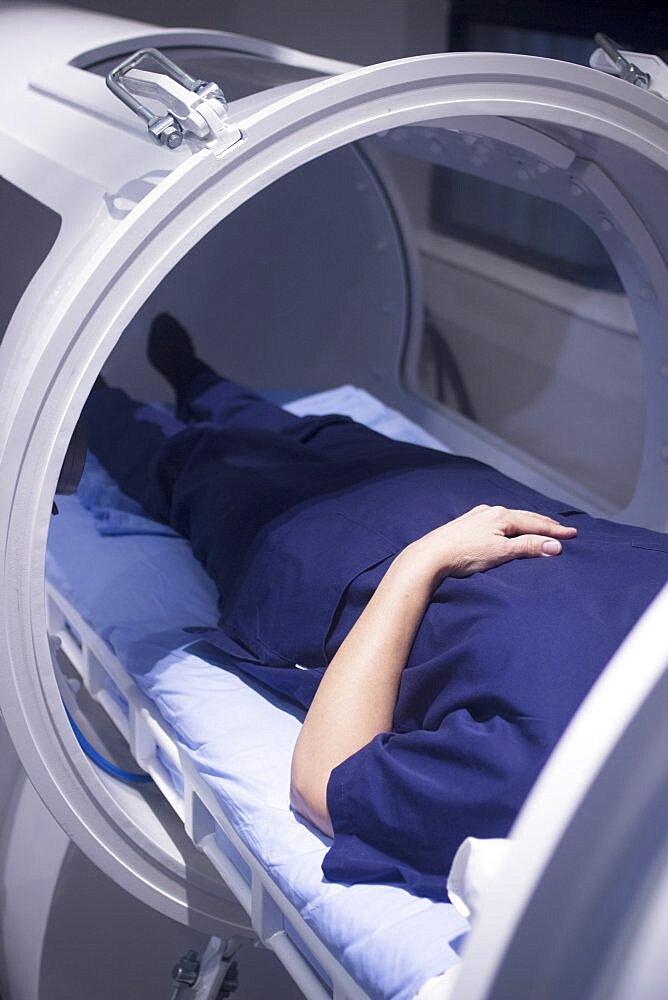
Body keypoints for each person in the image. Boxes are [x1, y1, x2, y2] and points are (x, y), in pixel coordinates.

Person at [83, 314, 668, 900]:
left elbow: (323, 783)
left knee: (194, 467)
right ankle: (199, 382)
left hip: (334, 558)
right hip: (466, 497)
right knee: (312, 432)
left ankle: (93, 401)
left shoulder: (559, 777)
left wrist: (423, 561)